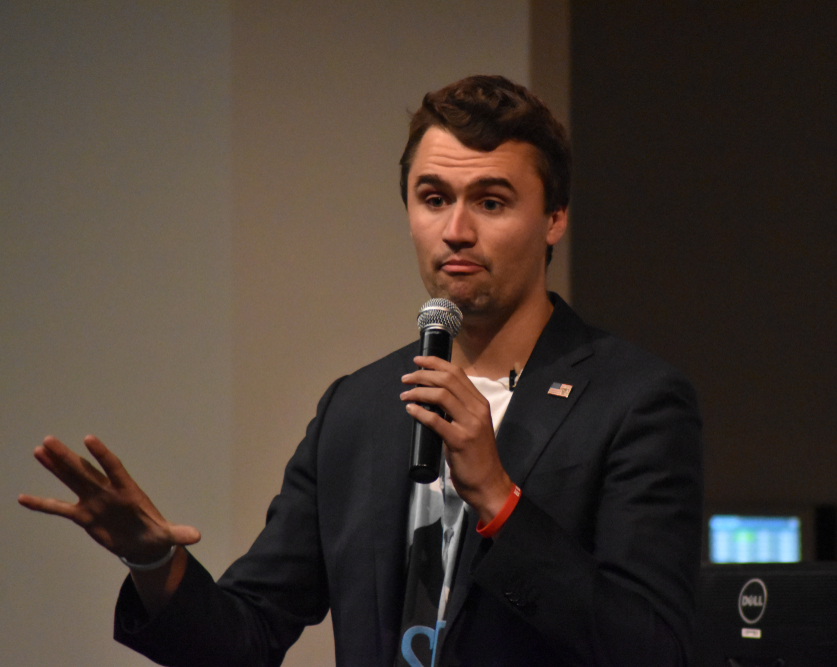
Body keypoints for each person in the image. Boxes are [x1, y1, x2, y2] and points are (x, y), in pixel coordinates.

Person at [19, 75, 702, 667]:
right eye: (433, 198)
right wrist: (152, 562)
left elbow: (653, 650)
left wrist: (500, 499)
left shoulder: (632, 401)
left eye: (491, 202)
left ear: (554, 219)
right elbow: (246, 636)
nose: (456, 229)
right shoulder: (360, 407)